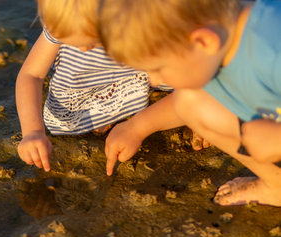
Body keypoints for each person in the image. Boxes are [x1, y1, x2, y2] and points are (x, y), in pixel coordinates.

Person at [98, 0, 281, 206]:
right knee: (190, 101)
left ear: (203, 41)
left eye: (158, 68)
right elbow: (188, 102)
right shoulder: (219, 39)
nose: (154, 81)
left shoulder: (272, 47)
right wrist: (136, 127)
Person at [15, 0, 159, 173]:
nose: (83, 50)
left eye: (92, 43)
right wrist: (33, 132)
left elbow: (192, 76)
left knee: (180, 77)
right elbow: (32, 74)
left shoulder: (146, 21)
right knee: (67, 119)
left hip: (137, 65)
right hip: (84, 81)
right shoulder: (63, 19)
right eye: (72, 41)